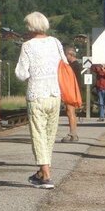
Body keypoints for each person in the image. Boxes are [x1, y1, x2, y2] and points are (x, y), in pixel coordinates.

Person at [15, 11, 66, 189]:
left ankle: (46, 175)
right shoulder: (56, 42)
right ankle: (42, 171)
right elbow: (64, 65)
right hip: (55, 94)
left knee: (38, 134)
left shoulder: (28, 46)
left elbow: (21, 74)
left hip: (36, 95)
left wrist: (33, 73)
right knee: (50, 135)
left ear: (30, 27)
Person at [61, 45, 82, 142]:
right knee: (70, 112)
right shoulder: (75, 65)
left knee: (70, 112)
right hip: (72, 91)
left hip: (71, 91)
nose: (65, 57)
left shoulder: (74, 66)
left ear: (71, 54)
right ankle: (73, 133)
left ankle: (73, 133)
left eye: (66, 55)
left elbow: (75, 81)